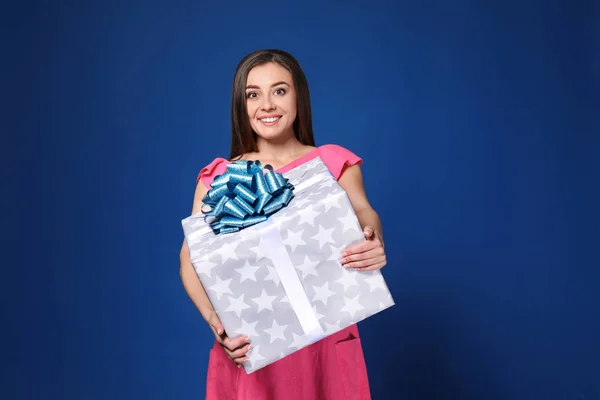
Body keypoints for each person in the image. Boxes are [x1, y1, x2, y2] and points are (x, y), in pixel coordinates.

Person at [179, 49, 387, 400]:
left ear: (298, 96)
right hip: (254, 345)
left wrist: (373, 238)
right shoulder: (219, 179)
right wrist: (217, 323)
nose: (267, 105)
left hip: (326, 341)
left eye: (279, 90)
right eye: (253, 94)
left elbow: (364, 212)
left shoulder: (334, 162)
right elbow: (191, 259)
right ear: (240, 105)